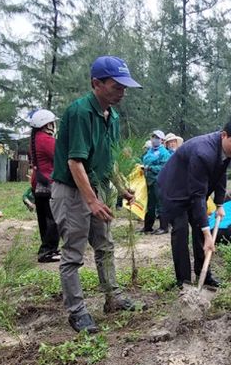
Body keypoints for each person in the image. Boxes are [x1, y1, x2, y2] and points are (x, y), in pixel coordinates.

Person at [50, 56, 146, 333]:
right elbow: (74, 162)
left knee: (105, 244)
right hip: (72, 190)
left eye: (125, 87)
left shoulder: (112, 116)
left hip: (99, 187)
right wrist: (91, 200)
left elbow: (110, 159)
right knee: (73, 253)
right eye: (117, 87)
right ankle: (77, 311)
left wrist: (120, 188)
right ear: (97, 84)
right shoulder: (80, 112)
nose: (122, 92)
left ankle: (113, 297)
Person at [158, 119, 231, 288]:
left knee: (200, 232)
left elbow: (220, 175)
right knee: (180, 232)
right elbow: (198, 195)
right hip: (174, 190)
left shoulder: (226, 149)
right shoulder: (204, 152)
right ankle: (184, 282)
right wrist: (208, 234)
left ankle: (204, 275)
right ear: (224, 135)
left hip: (193, 187)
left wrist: (219, 204)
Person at [28, 109, 61, 263]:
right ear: (47, 124)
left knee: (44, 218)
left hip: (38, 183)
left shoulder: (35, 138)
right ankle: (48, 250)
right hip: (48, 183)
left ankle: (47, 248)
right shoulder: (46, 140)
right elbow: (60, 157)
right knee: (53, 218)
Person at [141, 130, 171, 234]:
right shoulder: (150, 151)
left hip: (159, 181)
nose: (154, 139)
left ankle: (164, 227)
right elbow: (144, 160)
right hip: (149, 181)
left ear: (162, 140)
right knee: (150, 204)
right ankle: (148, 226)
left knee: (160, 204)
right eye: (153, 137)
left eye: (157, 137)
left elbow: (164, 167)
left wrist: (150, 168)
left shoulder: (164, 153)